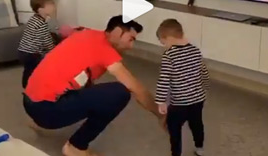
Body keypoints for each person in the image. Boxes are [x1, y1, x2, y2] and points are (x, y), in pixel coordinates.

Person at [23, 15, 164, 156]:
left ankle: (38, 120)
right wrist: (161, 115)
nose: (131, 46)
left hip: (30, 102)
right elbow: (136, 88)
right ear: (116, 32)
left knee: (90, 86)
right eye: (130, 39)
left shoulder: (87, 33)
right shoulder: (105, 50)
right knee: (119, 93)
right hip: (46, 110)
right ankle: (76, 147)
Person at [155, 19, 210, 156]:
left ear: (168, 38)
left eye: (163, 43)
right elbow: (203, 71)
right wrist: (205, 88)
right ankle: (200, 148)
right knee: (197, 124)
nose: (164, 46)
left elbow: (164, 79)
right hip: (198, 99)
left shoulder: (169, 55)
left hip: (179, 102)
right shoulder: (195, 50)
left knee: (174, 129)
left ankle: (176, 153)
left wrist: (161, 101)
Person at [18, 0, 57, 89]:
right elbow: (48, 44)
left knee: (29, 69)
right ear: (41, 10)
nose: (54, 7)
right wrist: (55, 52)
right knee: (36, 70)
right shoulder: (41, 24)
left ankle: (26, 85)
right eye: (51, 5)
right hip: (31, 54)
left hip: (23, 51)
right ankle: (30, 87)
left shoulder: (34, 19)